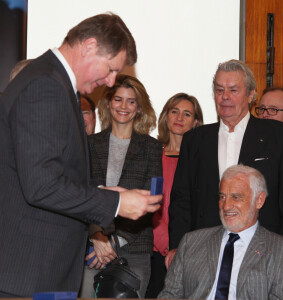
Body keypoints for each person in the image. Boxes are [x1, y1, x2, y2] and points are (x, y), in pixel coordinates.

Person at [0, 13, 162, 297]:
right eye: (111, 69)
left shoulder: (55, 84)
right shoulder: (46, 86)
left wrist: (102, 191)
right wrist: (116, 202)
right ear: (89, 46)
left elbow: (52, 174)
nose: (111, 81)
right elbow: (41, 185)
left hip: (40, 269)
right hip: (29, 272)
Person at [168, 59, 283, 268]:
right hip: (203, 253)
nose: (225, 97)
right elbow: (182, 200)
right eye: (219, 90)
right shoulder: (195, 139)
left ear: (251, 95)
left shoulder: (278, 136)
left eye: (233, 90)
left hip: (264, 254)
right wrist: (176, 246)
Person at [159, 165, 283, 299]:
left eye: (236, 197)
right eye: (222, 197)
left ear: (259, 200)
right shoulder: (191, 242)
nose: (226, 206)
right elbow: (169, 295)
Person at [80, 74, 162, 298]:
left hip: (134, 250)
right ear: (108, 103)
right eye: (118, 99)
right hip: (92, 249)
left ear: (138, 108)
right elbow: (82, 195)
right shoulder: (89, 144)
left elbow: (152, 202)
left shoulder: (152, 148)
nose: (123, 106)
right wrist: (97, 235)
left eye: (131, 101)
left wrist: (113, 242)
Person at [145, 93, 203, 298]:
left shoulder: (201, 162)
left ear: (195, 122)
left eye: (187, 114)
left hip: (187, 252)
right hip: (149, 253)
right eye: (174, 111)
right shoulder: (150, 155)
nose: (179, 118)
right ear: (165, 116)